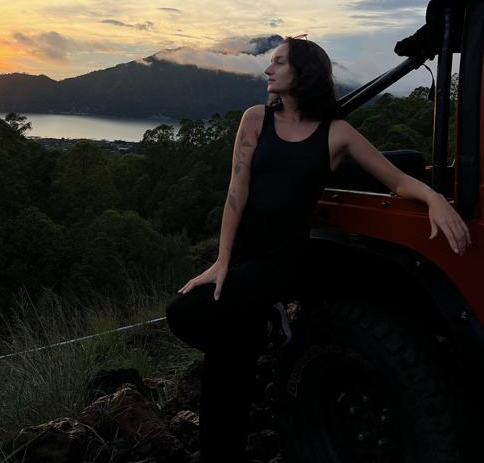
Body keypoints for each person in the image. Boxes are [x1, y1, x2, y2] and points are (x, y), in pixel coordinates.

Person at [165, 36, 471, 463]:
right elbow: (236, 192)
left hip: (285, 258)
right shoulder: (254, 119)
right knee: (227, 353)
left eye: (278, 62)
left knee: (184, 313)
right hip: (246, 257)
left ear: (302, 72)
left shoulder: (336, 133)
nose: (267, 69)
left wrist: (434, 198)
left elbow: (397, 180)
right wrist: (222, 260)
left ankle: (267, 323)